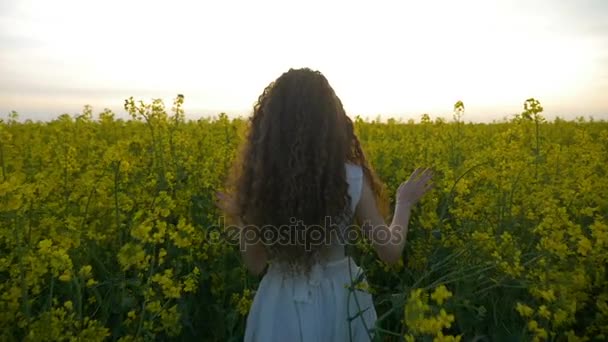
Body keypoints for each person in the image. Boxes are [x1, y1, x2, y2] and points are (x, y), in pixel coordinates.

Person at [216, 67, 434, 341]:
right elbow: (390, 253)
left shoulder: (263, 184)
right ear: (330, 121)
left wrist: (240, 221)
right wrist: (404, 202)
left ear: (272, 125)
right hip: (340, 300)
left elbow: (255, 264)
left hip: (279, 304)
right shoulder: (352, 178)